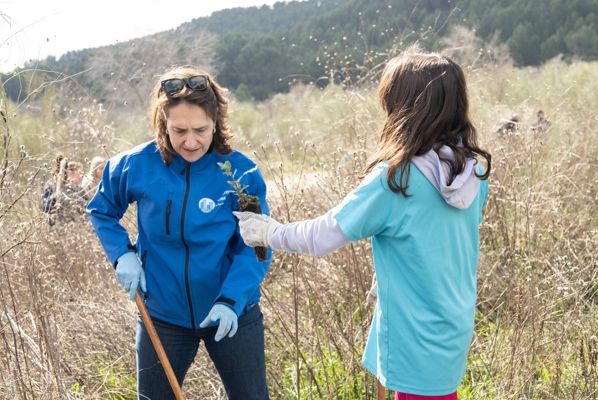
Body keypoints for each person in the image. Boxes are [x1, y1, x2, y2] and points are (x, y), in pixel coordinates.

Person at [235, 46, 491, 399]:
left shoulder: (395, 181)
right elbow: (440, 239)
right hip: (450, 330)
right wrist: (392, 268)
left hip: (413, 341)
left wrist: (271, 231)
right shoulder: (472, 172)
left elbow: (324, 236)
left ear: (403, 109)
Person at [86, 67, 271, 399]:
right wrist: (122, 254)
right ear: (162, 124)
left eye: (200, 130)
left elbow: (255, 246)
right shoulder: (136, 165)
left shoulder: (240, 173)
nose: (190, 141)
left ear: (216, 121)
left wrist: (232, 299)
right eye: (178, 130)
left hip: (231, 315)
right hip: (163, 316)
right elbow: (101, 209)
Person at [41, 154, 87, 225]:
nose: (82, 176)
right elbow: (46, 208)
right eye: (80, 173)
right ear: (69, 173)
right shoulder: (57, 189)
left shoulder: (79, 189)